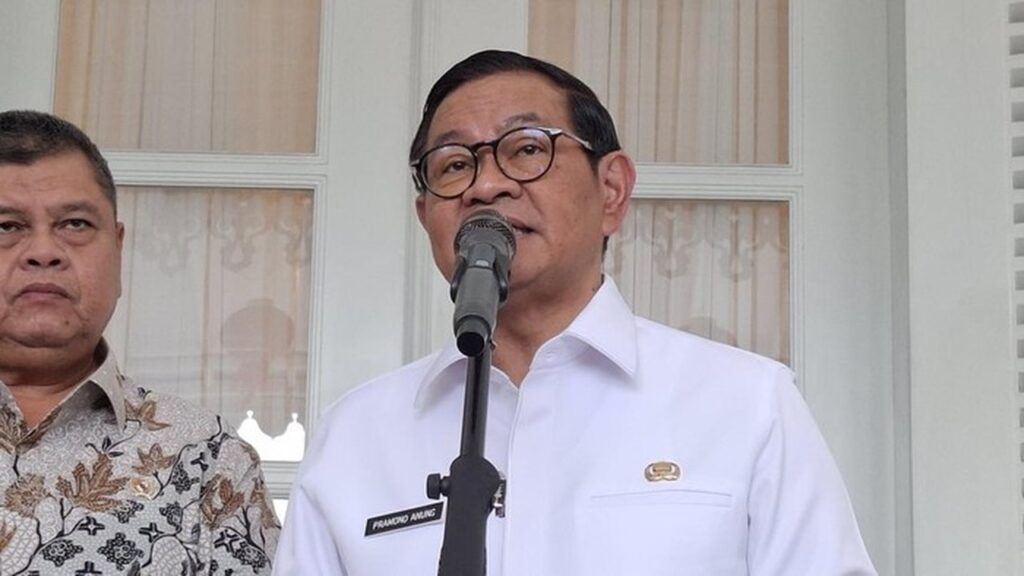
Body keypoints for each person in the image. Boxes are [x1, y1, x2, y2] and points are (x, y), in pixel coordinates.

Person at [276, 50, 876, 575]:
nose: (485, 187)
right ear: (426, 216)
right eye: (454, 165)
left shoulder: (746, 405)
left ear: (611, 190)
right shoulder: (355, 436)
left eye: (526, 149)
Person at [0, 110, 278, 574]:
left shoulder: (207, 457)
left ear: (117, 246)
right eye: (7, 226)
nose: (44, 252)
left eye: (75, 224)